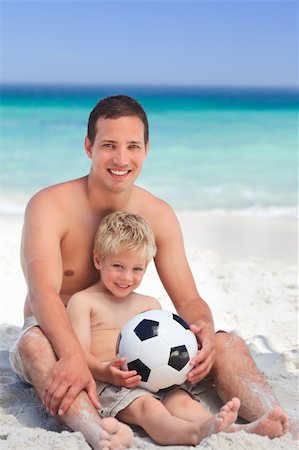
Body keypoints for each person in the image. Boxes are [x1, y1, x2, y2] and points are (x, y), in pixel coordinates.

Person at [9, 94, 289, 449]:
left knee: (226, 343)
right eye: (109, 145)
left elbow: (188, 299)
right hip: (59, 340)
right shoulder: (49, 206)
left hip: (136, 349)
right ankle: (98, 432)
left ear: (147, 149)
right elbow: (42, 293)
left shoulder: (157, 213)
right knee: (33, 343)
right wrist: (73, 356)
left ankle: (280, 420)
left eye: (133, 146)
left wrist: (203, 333)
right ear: (88, 146)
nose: (121, 159)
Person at [67, 210, 289, 446]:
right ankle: (194, 434)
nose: (126, 277)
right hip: (114, 386)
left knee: (183, 403)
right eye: (118, 266)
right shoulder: (83, 302)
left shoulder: (149, 305)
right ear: (98, 260)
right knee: (150, 409)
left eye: (136, 269)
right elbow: (79, 355)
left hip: (159, 378)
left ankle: (225, 428)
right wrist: (106, 372)